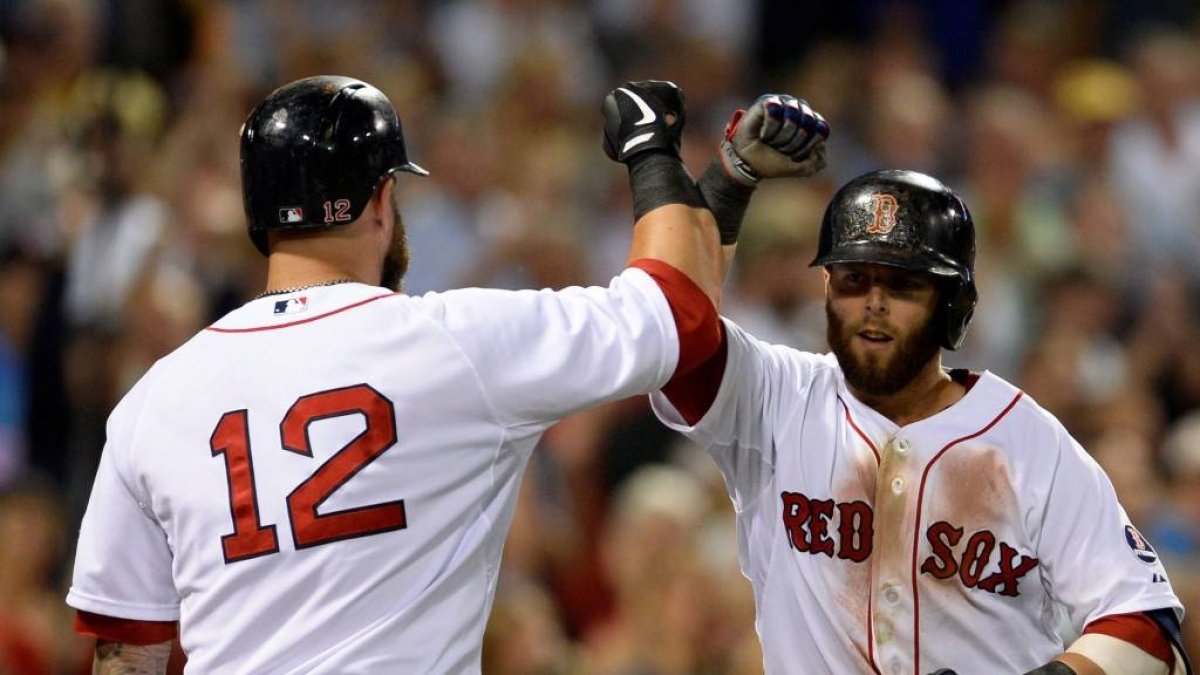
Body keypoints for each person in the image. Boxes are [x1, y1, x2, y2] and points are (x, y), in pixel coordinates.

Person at [63, 75, 828, 673]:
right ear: (383, 202)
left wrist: (722, 182)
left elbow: (128, 649)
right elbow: (677, 315)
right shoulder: (450, 343)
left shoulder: (152, 398)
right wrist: (656, 152)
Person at [642, 113, 1194, 674]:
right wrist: (727, 182)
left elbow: (1146, 623)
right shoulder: (776, 396)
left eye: (903, 284)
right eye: (855, 279)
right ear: (827, 290)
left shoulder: (1029, 441)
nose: (874, 303)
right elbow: (672, 338)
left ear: (953, 305)